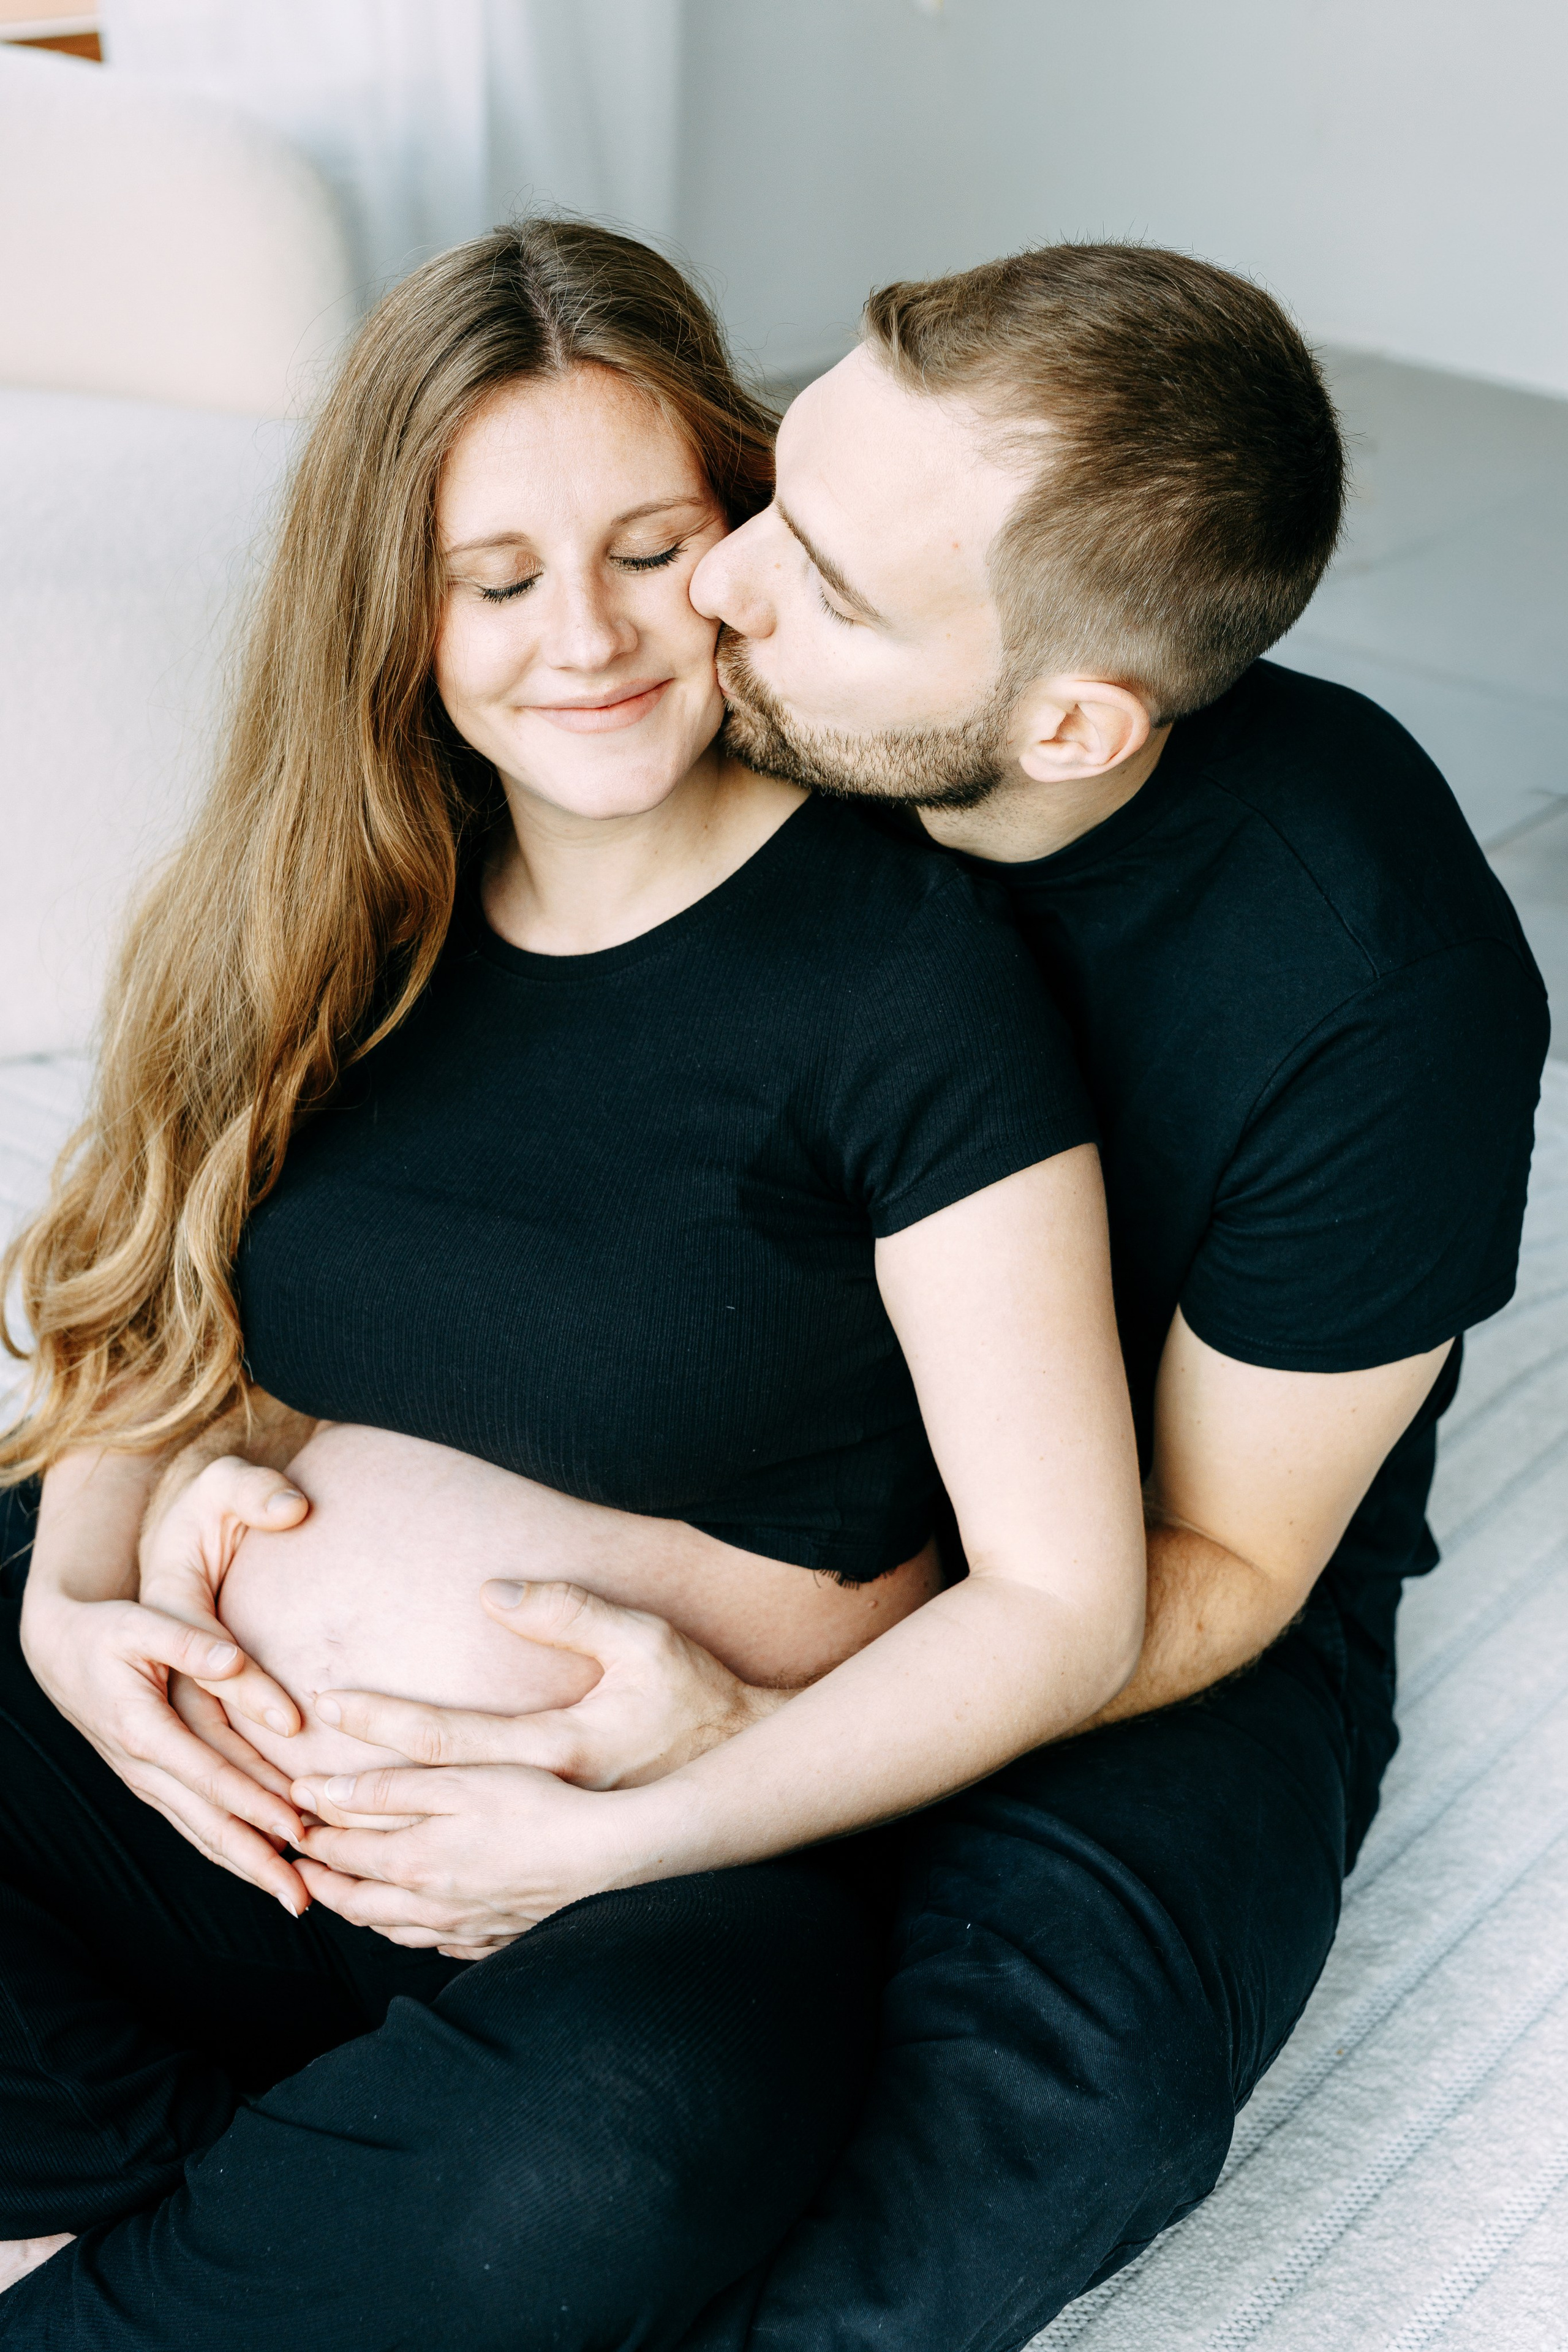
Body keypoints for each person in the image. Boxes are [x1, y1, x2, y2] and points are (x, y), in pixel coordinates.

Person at [134, 241, 1546, 2352]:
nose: (716, 590)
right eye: (778, 493)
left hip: (1133, 1589)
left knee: (1057, 2107)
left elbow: (1226, 1562)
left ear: (1066, 719)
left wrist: (772, 1738)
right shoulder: (699, 707)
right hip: (731, 1425)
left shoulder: (1369, 984)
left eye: (829, 586)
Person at [0, 222, 1148, 2343]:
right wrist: (87, 1620)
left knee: (627, 2154)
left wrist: (646, 1832)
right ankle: (234, 2196)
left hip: (626, 1878)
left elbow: (1066, 1601)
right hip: (207, 1798)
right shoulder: (326, 911)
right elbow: (148, 1326)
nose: (590, 640)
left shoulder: (906, 983)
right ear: (395, 610)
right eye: (498, 579)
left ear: (745, 542)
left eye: (650, 547)